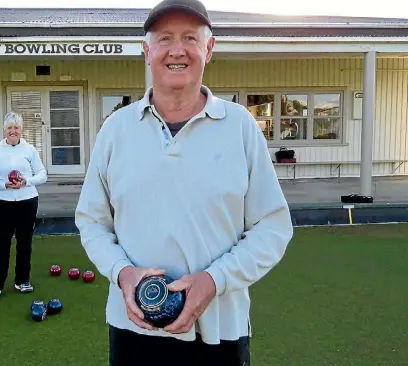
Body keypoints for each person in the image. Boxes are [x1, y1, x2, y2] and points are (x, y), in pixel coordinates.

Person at [74, 0, 294, 365]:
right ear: (147, 51)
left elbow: (272, 226)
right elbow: (92, 221)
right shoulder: (116, 129)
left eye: (190, 38)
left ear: (209, 48)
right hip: (133, 331)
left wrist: (214, 280)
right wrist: (123, 273)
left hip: (220, 330)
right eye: (164, 39)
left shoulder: (239, 126)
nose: (177, 50)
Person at [0, 112, 47, 301]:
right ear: (5, 130)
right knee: (1, 244)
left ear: (21, 130)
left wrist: (26, 181)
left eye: (16, 127)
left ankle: (22, 280)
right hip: (3, 202)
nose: (13, 131)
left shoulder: (30, 150)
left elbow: (43, 175)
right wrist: (5, 185)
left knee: (24, 242)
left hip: (28, 201)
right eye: (10, 128)